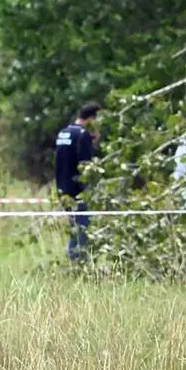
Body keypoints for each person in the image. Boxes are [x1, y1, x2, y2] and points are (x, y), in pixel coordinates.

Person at [54, 103, 101, 262]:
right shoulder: (83, 135)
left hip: (63, 188)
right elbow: (85, 168)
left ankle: (75, 260)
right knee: (82, 231)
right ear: (92, 119)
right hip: (78, 192)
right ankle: (78, 263)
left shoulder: (64, 132)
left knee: (75, 228)